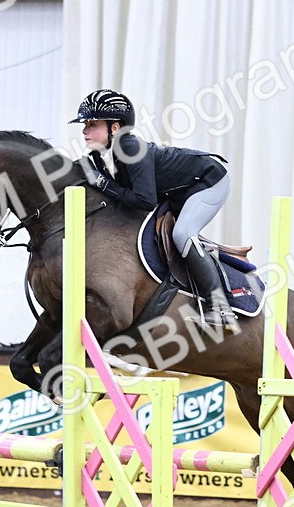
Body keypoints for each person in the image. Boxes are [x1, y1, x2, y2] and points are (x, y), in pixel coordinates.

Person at [71, 88, 239, 333]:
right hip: (176, 190)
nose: (85, 130)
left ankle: (221, 308)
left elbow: (144, 200)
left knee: (183, 234)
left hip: (209, 180)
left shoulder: (129, 147)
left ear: (115, 128)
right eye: (85, 124)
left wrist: (104, 184)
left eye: (92, 124)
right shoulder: (99, 155)